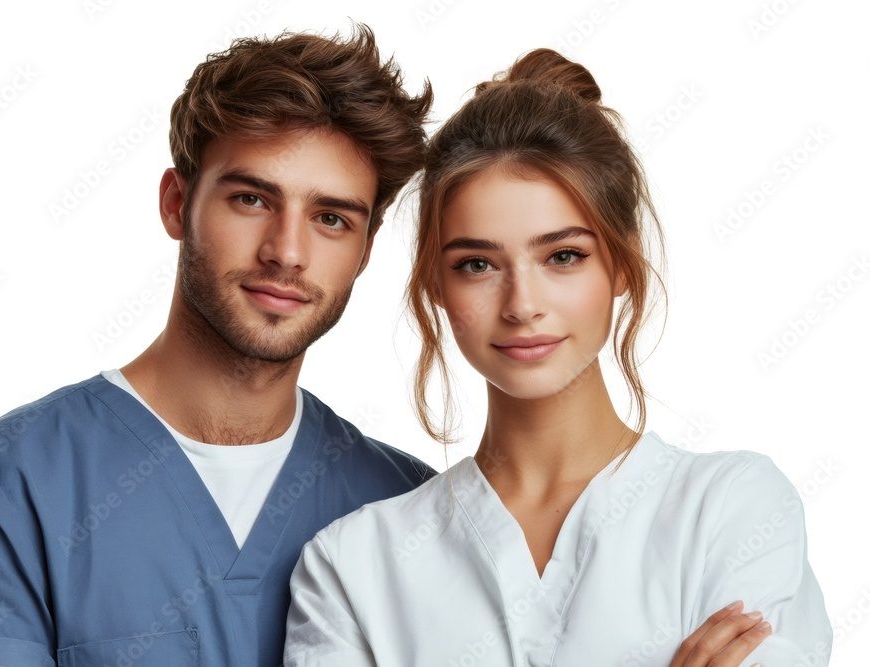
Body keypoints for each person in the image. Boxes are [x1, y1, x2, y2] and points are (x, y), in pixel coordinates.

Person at [0, 26, 434, 666]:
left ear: (366, 248)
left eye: (331, 218)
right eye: (251, 199)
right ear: (176, 203)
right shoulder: (1, 495)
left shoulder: (412, 512)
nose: (287, 252)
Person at [284, 49, 832, 666]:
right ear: (435, 283)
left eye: (563, 256)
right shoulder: (352, 566)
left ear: (621, 264)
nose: (523, 305)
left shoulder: (733, 508)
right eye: (477, 264)